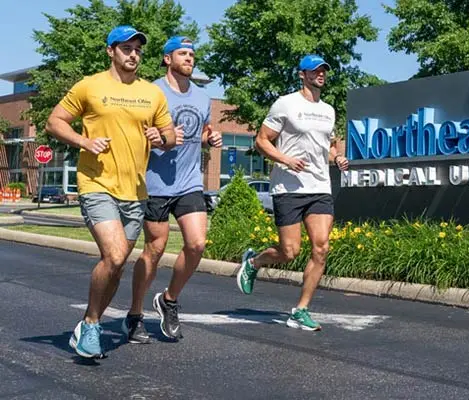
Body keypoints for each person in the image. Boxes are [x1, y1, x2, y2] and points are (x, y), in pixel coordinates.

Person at [45, 25, 177, 358]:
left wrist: (162, 139)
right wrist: (83, 141)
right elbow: (54, 122)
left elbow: (170, 135)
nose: (133, 54)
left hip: (135, 191)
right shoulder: (89, 86)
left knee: (116, 264)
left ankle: (90, 322)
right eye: (126, 48)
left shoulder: (152, 93)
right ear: (110, 51)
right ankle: (91, 324)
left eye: (137, 50)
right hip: (96, 183)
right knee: (116, 254)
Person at [236, 54, 349, 331]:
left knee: (321, 248)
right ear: (302, 74)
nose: (320, 74)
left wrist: (337, 158)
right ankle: (254, 262)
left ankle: (301, 310)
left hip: (319, 186)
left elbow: (331, 145)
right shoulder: (286, 104)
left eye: (323, 70)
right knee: (289, 251)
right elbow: (262, 141)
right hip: (288, 186)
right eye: (315, 70)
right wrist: (285, 159)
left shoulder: (328, 110)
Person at [122, 36, 222, 344]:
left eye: (192, 54)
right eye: (183, 53)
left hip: (190, 180)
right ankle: (135, 314)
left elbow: (202, 129)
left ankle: (169, 299)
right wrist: (153, 137)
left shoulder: (203, 97)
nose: (189, 58)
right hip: (155, 182)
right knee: (156, 248)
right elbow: (134, 132)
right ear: (168, 59)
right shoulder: (152, 92)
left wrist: (210, 137)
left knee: (197, 243)